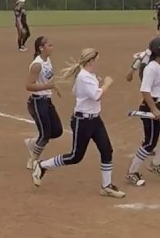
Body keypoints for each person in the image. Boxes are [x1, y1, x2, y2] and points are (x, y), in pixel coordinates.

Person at [29, 48, 124, 198]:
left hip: (95, 119)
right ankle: (41, 165)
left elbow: (76, 91)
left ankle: (106, 186)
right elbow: (96, 95)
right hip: (83, 121)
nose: (98, 62)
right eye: (97, 60)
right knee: (76, 156)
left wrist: (94, 85)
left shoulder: (88, 75)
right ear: (91, 61)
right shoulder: (84, 77)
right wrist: (106, 84)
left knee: (107, 150)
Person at [126, 36, 160, 186]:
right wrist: (154, 110)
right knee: (150, 143)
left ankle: (156, 164)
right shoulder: (151, 68)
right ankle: (132, 172)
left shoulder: (159, 66)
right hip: (151, 110)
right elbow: (145, 90)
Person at [23, 36, 64, 169]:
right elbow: (29, 86)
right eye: (49, 45)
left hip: (47, 100)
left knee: (57, 130)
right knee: (45, 134)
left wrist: (55, 87)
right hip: (37, 102)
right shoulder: (37, 65)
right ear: (41, 48)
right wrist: (48, 87)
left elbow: (49, 79)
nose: (52, 48)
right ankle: (33, 160)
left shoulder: (48, 61)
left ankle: (32, 143)